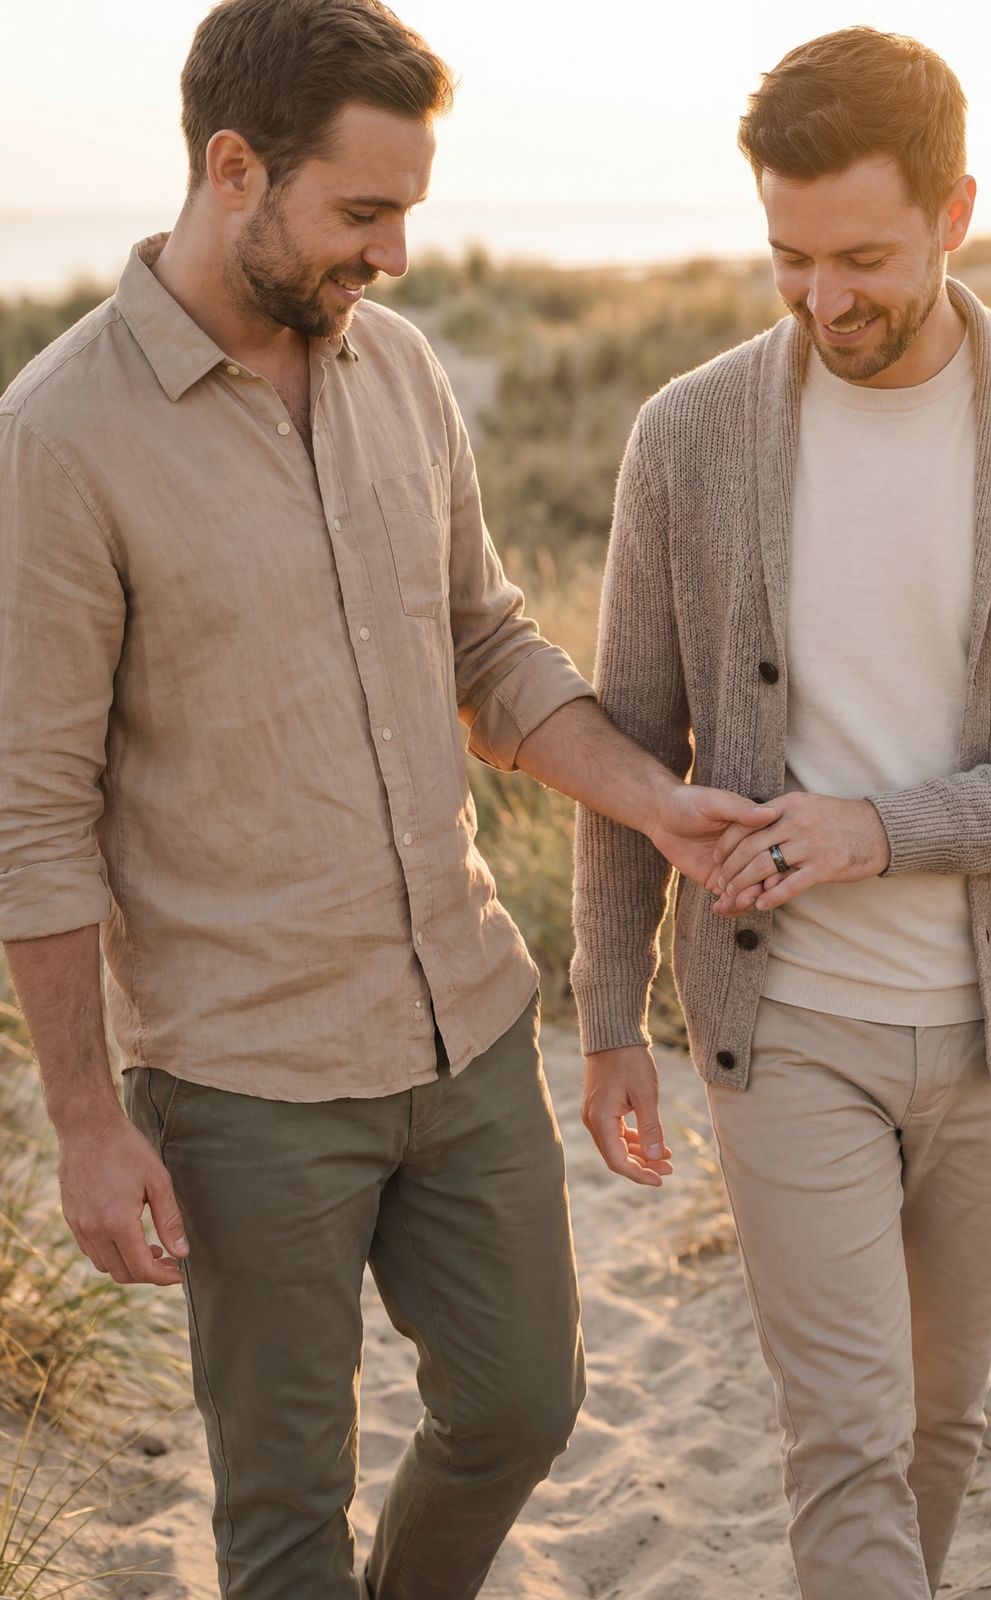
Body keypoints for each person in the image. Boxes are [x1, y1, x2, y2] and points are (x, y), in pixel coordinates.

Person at [0, 3, 777, 1597]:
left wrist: (651, 798)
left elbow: (486, 643)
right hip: (243, 1078)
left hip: (468, 1021)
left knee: (522, 1405)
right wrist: (85, 1117)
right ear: (234, 169)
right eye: (363, 211)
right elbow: (30, 811)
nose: (401, 255)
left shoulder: (399, 369)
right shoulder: (59, 441)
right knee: (281, 1517)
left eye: (410, 207)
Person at [574, 25, 991, 1598]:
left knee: (940, 1428)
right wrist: (607, 1012)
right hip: (787, 1031)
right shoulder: (688, 438)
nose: (824, 298)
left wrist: (877, 828)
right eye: (788, 257)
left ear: (954, 212)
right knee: (841, 1438)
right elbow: (632, 740)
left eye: (861, 257)